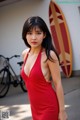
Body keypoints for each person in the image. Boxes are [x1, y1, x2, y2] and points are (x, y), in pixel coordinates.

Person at [20, 16, 68, 120]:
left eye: (38, 33)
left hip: (49, 107)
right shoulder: (25, 54)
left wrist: (62, 111)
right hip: (34, 108)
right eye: (29, 33)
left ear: (44, 35)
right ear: (25, 35)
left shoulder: (49, 55)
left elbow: (58, 83)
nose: (33, 37)